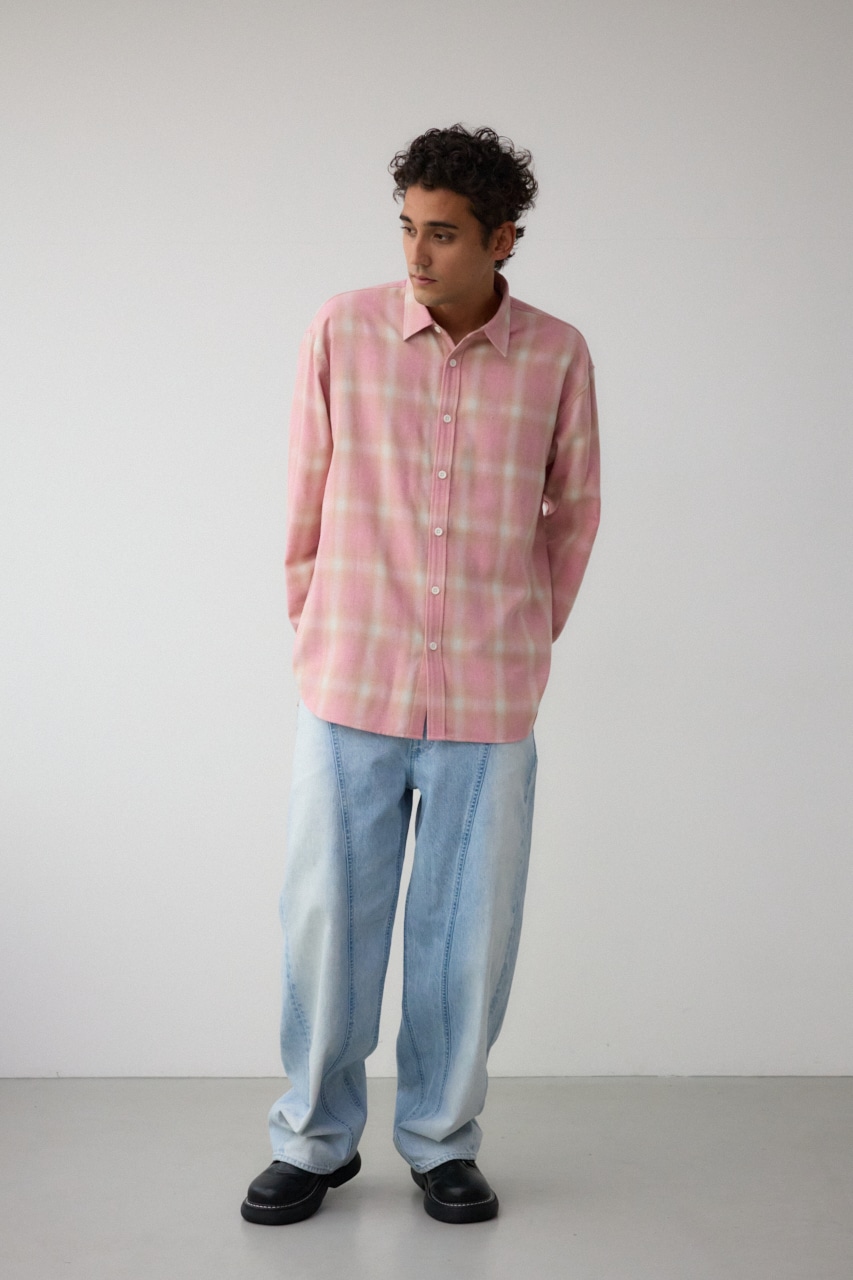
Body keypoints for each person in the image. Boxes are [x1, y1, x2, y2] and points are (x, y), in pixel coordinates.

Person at [241, 123, 601, 1227]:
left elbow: (572, 515)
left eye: (442, 233)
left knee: (465, 939)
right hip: (350, 680)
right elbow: (303, 497)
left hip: (488, 697)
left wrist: (522, 641)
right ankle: (313, 1138)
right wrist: (317, 629)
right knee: (327, 926)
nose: (416, 253)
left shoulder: (557, 355)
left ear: (502, 239)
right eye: (406, 227)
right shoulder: (341, 331)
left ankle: (442, 1140)